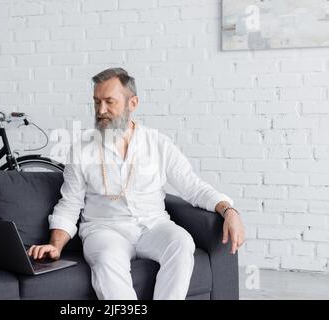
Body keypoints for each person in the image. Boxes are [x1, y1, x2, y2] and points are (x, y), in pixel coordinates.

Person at [27, 68, 245, 300]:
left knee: (182, 243)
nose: (101, 111)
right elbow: (70, 204)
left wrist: (229, 210)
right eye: (96, 102)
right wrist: (56, 245)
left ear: (133, 102)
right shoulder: (81, 150)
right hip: (105, 229)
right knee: (107, 259)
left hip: (154, 226)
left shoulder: (158, 144)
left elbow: (193, 186)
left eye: (109, 102)